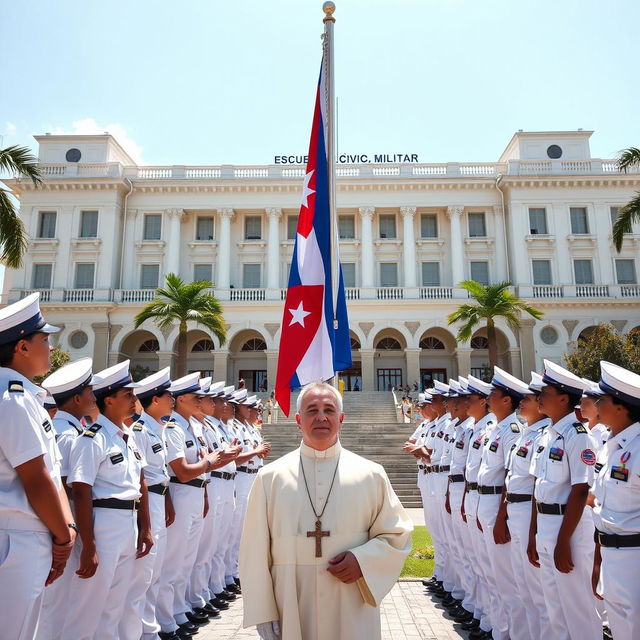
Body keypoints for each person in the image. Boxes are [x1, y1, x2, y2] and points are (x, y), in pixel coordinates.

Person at [239, 381, 412, 640]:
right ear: (298, 419)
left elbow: (397, 534)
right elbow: (253, 551)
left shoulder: (371, 474)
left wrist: (363, 561)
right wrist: (263, 612)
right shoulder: (269, 478)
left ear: (341, 418)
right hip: (291, 601)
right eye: (312, 410)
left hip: (350, 599)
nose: (321, 416)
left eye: (329, 410)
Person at [0, 293, 76, 640]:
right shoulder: (14, 399)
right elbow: (37, 478)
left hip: (22, 534)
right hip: (16, 537)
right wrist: (64, 537)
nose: (50, 347)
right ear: (22, 348)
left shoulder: (22, 395)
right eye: (44, 340)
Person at [62, 359, 153, 639]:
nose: (135, 400)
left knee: (115, 604)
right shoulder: (93, 438)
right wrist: (88, 545)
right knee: (88, 605)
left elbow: (141, 483)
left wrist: (145, 527)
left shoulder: (128, 436)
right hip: (103, 523)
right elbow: (80, 489)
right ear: (109, 400)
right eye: (128, 395)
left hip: (127, 522)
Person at [528, 359, 601, 640]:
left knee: (577, 608)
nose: (538, 399)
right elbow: (540, 487)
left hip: (566, 527)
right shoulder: (548, 433)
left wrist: (562, 542)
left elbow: (580, 490)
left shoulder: (578, 436)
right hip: (546, 524)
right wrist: (536, 532)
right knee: (553, 607)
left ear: (562, 398)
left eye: (544, 394)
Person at [156, 372, 220, 638]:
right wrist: (212, 461)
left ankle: (179, 611)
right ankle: (166, 620)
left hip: (196, 492)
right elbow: (180, 471)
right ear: (181, 400)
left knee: (186, 559)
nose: (201, 401)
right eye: (196, 397)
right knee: (173, 561)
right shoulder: (173, 428)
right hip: (181, 493)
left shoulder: (192, 427)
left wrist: (204, 493)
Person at [38, 358, 97, 640]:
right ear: (76, 398)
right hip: (62, 525)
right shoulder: (65, 433)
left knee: (66, 599)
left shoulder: (71, 429)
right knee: (56, 602)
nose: (94, 398)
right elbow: (60, 484)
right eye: (90, 393)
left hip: (68, 524)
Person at [120, 367, 177, 640]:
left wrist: (167, 502)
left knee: (155, 571)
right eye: (168, 395)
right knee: (143, 573)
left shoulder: (159, 429)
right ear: (155, 400)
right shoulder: (141, 430)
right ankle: (141, 632)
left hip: (158, 498)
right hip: (147, 501)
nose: (173, 399)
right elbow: (140, 477)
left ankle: (149, 628)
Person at [476, 367, 527, 640]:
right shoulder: (496, 428)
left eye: (493, 394)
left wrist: (501, 517)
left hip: (499, 503)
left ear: (507, 400)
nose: (488, 398)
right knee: (491, 573)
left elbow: (510, 475)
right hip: (485, 500)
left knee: (507, 580)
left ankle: (511, 633)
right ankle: (498, 629)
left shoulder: (513, 430)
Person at [590, 361, 640, 640]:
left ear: (622, 407)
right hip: (611, 553)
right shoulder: (612, 447)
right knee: (621, 630)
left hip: (635, 557)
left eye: (602, 399)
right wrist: (598, 561)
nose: (596, 404)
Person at [503, 371, 551, 640]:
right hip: (517, 510)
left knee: (538, 590)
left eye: (530, 398)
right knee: (522, 586)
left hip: (530, 513)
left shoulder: (541, 434)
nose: (525, 402)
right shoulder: (528, 433)